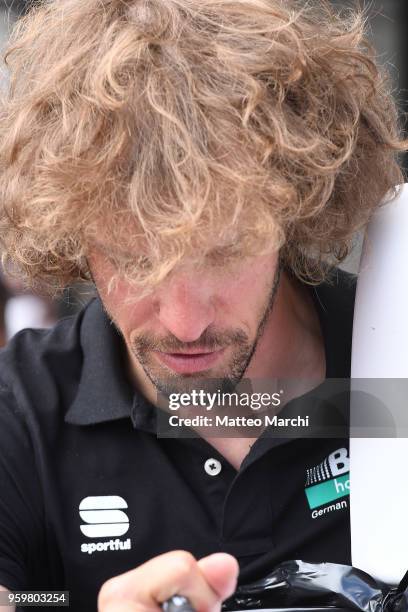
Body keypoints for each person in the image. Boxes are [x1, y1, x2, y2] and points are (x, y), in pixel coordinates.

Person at [0, 0, 406, 610]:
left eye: (225, 253)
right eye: (134, 262)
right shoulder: (20, 412)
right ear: (73, 235)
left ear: (296, 208)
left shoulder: (396, 361)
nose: (185, 323)